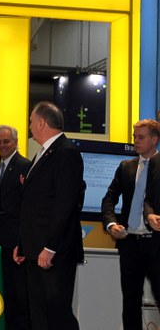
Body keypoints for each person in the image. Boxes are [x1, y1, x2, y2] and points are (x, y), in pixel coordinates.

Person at [14, 101, 84, 330]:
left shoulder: (66, 153)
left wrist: (50, 247)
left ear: (42, 122)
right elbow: (34, 204)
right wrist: (23, 244)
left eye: (32, 122)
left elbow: (65, 204)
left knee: (57, 313)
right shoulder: (43, 154)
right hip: (36, 248)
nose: (30, 126)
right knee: (40, 314)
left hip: (54, 251)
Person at [102, 119, 160, 330]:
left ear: (155, 139)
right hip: (130, 244)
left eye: (141, 137)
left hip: (157, 244)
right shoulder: (126, 167)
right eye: (134, 136)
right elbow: (108, 200)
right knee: (130, 303)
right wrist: (111, 225)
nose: (135, 141)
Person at [0, 125, 31, 330]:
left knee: (18, 295)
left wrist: (22, 241)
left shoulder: (25, 166)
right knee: (0, 292)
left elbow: (27, 207)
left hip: (15, 242)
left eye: (6, 141)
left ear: (16, 142)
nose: (2, 146)